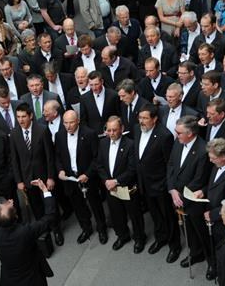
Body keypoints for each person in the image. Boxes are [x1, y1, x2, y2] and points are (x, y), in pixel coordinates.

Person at [9, 103, 63, 246]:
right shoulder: (14, 134)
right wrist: (19, 181)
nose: (21, 120)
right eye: (18, 117)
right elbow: (14, 160)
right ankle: (43, 230)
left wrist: (51, 177)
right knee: (36, 206)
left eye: (23, 117)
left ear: (31, 116)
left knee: (50, 204)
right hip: (27, 179)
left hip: (44, 177)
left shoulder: (42, 130)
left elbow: (49, 156)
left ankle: (56, 229)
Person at [134, 103, 181, 262]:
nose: (141, 121)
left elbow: (170, 163)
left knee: (168, 216)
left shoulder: (164, 135)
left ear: (154, 119)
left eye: (145, 118)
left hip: (160, 185)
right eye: (140, 117)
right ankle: (161, 238)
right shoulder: (136, 130)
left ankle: (175, 246)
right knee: (154, 214)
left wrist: (168, 186)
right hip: (144, 184)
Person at [167, 115, 212, 275]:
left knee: (201, 231)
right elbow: (171, 165)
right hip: (177, 196)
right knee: (188, 230)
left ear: (190, 133)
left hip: (193, 200)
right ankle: (195, 253)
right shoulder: (178, 143)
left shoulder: (202, 150)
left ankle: (211, 261)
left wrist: (181, 195)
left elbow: (199, 180)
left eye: (179, 132)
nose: (176, 134)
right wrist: (172, 190)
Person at [55, 110, 107, 245]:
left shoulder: (89, 134)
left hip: (88, 177)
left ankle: (102, 228)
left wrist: (88, 174)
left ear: (78, 121)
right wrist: (60, 170)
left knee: (95, 204)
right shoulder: (59, 135)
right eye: (65, 123)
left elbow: (97, 158)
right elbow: (58, 156)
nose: (68, 126)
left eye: (71, 122)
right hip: (70, 178)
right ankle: (86, 228)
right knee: (78, 206)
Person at [97, 116, 146, 253]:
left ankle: (139, 238)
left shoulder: (130, 145)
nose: (111, 133)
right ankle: (122, 236)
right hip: (110, 188)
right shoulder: (103, 143)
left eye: (114, 130)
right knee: (116, 214)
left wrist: (116, 181)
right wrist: (106, 180)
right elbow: (99, 165)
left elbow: (132, 169)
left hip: (127, 187)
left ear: (122, 129)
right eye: (109, 130)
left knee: (134, 215)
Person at [204, 139, 225, 246]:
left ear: (223, 157)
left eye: (213, 158)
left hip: (222, 221)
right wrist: (202, 191)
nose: (210, 160)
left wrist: (212, 214)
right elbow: (213, 185)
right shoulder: (217, 166)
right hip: (212, 214)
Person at [80, 71, 120, 136]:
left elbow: (119, 115)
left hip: (112, 134)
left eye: (96, 84)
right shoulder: (84, 98)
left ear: (102, 82)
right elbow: (83, 121)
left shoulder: (113, 95)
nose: (94, 88)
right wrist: (91, 133)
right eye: (91, 85)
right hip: (94, 137)